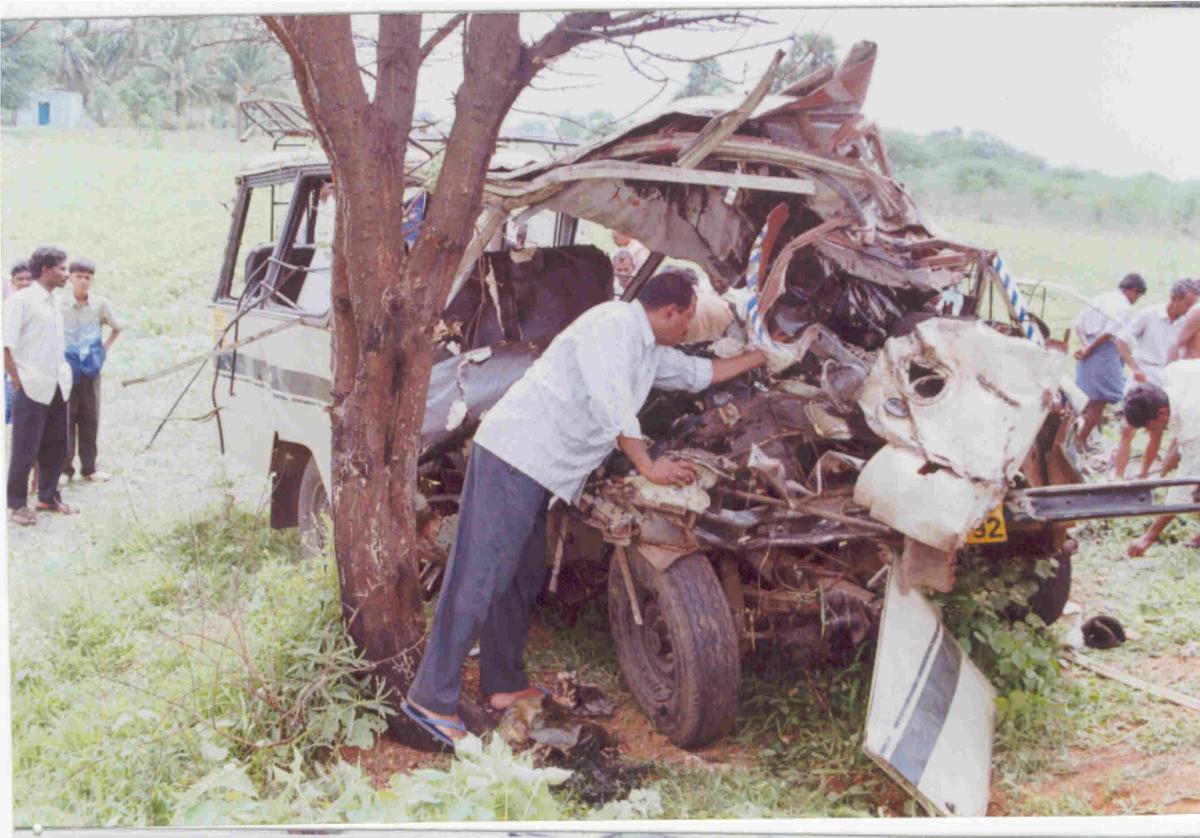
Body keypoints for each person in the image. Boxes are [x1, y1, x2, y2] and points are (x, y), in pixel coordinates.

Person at [401, 269, 770, 744]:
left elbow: (701, 374)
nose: (688, 332)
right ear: (670, 311)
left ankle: (503, 685)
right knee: (480, 575)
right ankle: (429, 700)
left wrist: (765, 354)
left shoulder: (647, 349)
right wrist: (648, 464)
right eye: (687, 321)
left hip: (541, 471)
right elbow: (611, 400)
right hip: (513, 456)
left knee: (520, 575)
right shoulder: (612, 325)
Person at [4, 247, 76, 525]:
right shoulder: (20, 302)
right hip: (31, 384)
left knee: (57, 444)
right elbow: (6, 347)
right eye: (62, 269)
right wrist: (17, 380)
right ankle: (18, 504)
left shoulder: (54, 301)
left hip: (58, 382)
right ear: (45, 270)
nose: (66, 275)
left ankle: (48, 496)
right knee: (25, 447)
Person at [1110, 279, 1198, 478]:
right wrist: (1134, 367)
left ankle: (1143, 475)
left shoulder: (1188, 322)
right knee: (1127, 429)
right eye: (1188, 304)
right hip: (1143, 376)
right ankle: (1118, 476)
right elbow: (1121, 340)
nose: (1191, 308)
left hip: (1168, 379)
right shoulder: (1149, 315)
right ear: (1174, 298)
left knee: (1157, 430)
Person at [1123, 361, 1200, 557]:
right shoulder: (1174, 374)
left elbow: (1186, 482)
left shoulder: (1192, 416)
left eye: (1151, 427)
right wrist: (1162, 474)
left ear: (1162, 413)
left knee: (1195, 489)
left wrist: (1148, 537)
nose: (1151, 432)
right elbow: (1180, 443)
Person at [60, 259, 122, 483]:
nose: (83, 281)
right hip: (66, 368)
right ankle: (64, 469)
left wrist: (102, 350)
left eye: (88, 277)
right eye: (79, 276)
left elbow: (117, 327)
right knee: (66, 417)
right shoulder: (60, 304)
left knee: (90, 417)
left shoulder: (100, 304)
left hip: (90, 368)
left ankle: (90, 468)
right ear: (70, 278)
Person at [1073, 273, 1147, 448]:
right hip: (1102, 351)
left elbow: (1078, 324)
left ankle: (1083, 438)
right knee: (1099, 401)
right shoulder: (1124, 307)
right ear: (1134, 291)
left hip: (1090, 347)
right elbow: (1109, 333)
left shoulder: (1101, 298)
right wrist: (1089, 350)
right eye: (1138, 297)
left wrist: (1085, 346)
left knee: (1087, 399)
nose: (1135, 300)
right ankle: (1079, 441)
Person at [5, 261, 34, 424]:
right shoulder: (11, 306)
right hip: (14, 369)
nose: (24, 283)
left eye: (28, 279)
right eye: (20, 279)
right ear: (12, 282)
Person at [1167, 279, 1200, 362]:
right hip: (1191, 369)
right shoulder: (1196, 313)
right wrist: (1171, 371)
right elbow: (1175, 345)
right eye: (1188, 305)